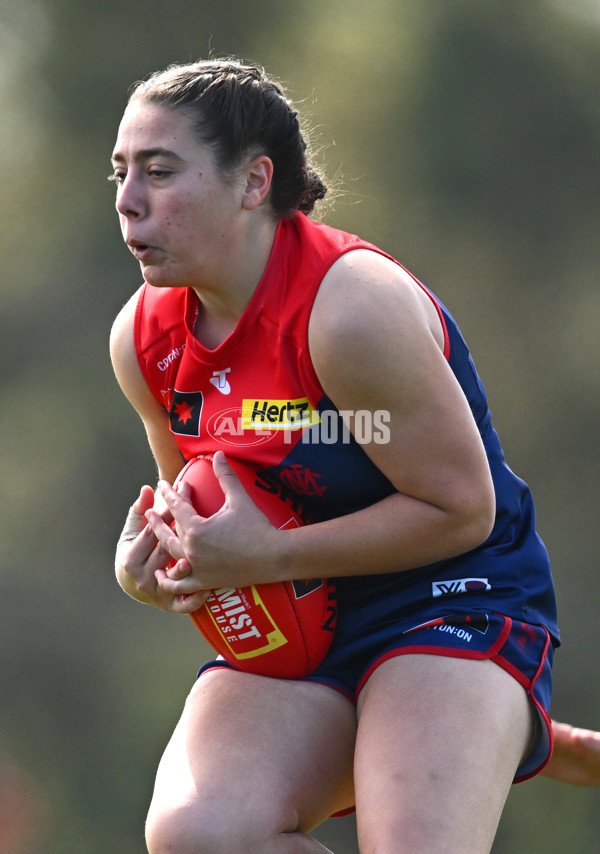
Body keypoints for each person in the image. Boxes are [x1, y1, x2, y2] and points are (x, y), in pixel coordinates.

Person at [109, 59, 597, 854]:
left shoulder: (348, 308)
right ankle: (501, 741)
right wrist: (157, 571)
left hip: (449, 597)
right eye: (122, 172)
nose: (129, 199)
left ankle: (488, 720)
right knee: (198, 836)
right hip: (303, 622)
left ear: (253, 182)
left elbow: (463, 510)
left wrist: (272, 554)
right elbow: (194, 503)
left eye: (160, 172)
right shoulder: (143, 340)